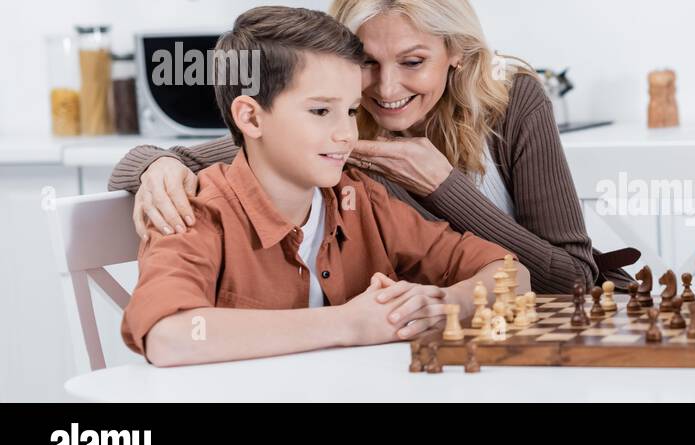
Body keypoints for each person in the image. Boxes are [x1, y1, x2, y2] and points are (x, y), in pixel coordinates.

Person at [108, 0, 628, 295]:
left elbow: (572, 278)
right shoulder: (338, 127)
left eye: (412, 61)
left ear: (457, 55)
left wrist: (443, 186)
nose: (383, 88)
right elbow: (214, 149)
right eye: (367, 63)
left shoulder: (511, 99)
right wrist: (159, 163)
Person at [123, 6, 525, 367]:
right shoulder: (191, 212)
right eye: (320, 111)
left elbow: (511, 273)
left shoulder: (361, 199)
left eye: (350, 110)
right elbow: (168, 336)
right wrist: (346, 324)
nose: (346, 134)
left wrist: (442, 304)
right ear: (251, 118)